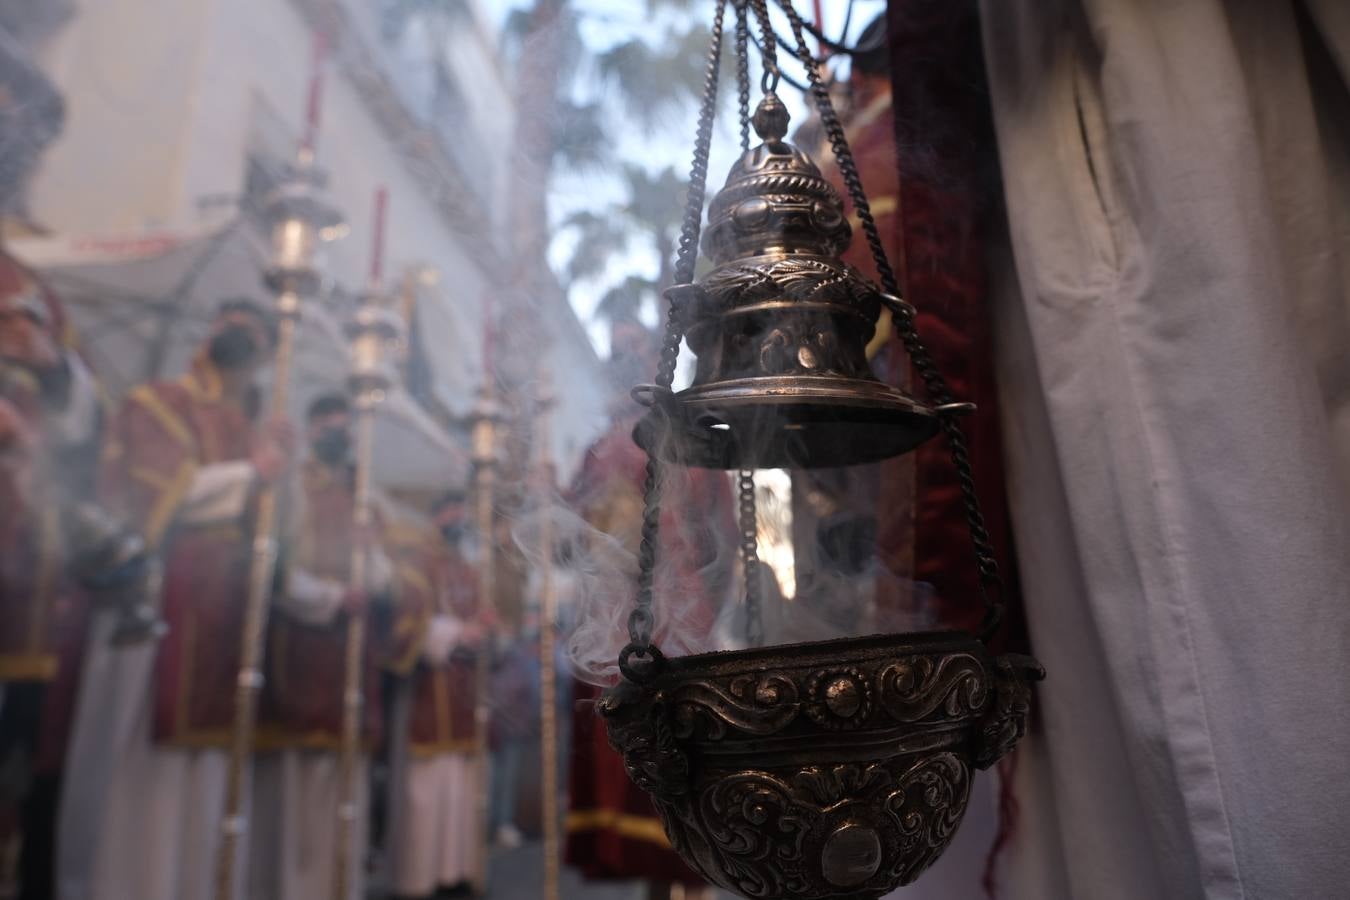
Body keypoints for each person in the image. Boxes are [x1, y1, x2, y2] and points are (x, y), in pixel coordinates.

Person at [59, 298, 293, 900]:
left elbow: (279, 538)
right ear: (210, 329)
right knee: (145, 759)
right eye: (232, 323)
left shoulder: (256, 429)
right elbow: (153, 492)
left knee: (215, 761)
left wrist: (273, 476)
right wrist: (251, 474)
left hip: (228, 606)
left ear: (269, 355)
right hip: (160, 597)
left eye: (257, 333)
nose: (242, 336)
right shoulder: (159, 401)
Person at [563, 321, 732, 900]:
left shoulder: (685, 447)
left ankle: (686, 872)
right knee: (637, 737)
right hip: (624, 618)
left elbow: (719, 539)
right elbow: (575, 533)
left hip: (671, 614)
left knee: (674, 741)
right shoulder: (604, 448)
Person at [248, 392, 415, 900]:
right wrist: (332, 596)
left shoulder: (365, 497)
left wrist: (371, 558)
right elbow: (271, 567)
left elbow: (389, 584)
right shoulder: (294, 486)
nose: (337, 433)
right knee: (292, 784)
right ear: (312, 428)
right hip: (298, 649)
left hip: (351, 659)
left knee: (346, 779)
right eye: (328, 425)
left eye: (345, 426)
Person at [389, 491, 488, 900]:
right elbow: (403, 621)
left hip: (462, 688)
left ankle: (455, 871)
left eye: (459, 508)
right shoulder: (413, 562)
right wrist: (455, 634)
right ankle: (417, 878)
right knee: (425, 787)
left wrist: (485, 631)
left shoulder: (468, 570)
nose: (456, 516)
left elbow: (483, 620)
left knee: (461, 784)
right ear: (433, 515)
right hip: (425, 690)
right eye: (448, 508)